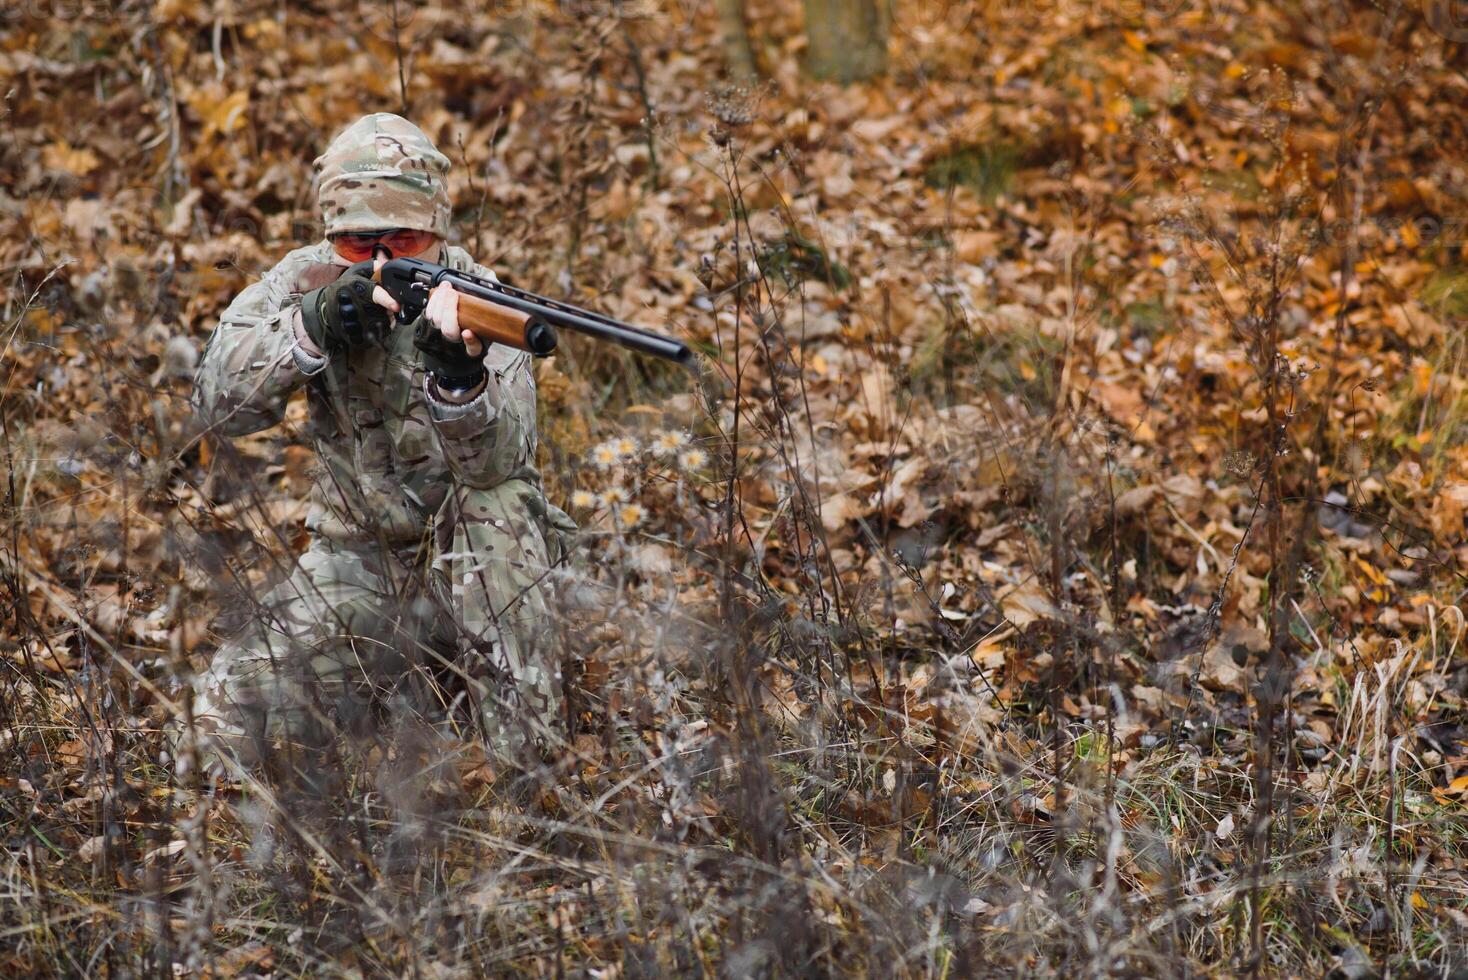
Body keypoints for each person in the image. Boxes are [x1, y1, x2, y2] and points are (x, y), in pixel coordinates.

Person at [183, 113, 575, 779]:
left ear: (436, 231)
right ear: (333, 237)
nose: (386, 259)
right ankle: (400, 693)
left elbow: (501, 466)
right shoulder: (304, 279)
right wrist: (311, 328)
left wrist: (460, 378)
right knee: (223, 728)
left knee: (499, 506)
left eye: (405, 237)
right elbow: (214, 408)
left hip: (478, 558)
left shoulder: (480, 295)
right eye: (362, 244)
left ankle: (526, 775)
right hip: (357, 565)